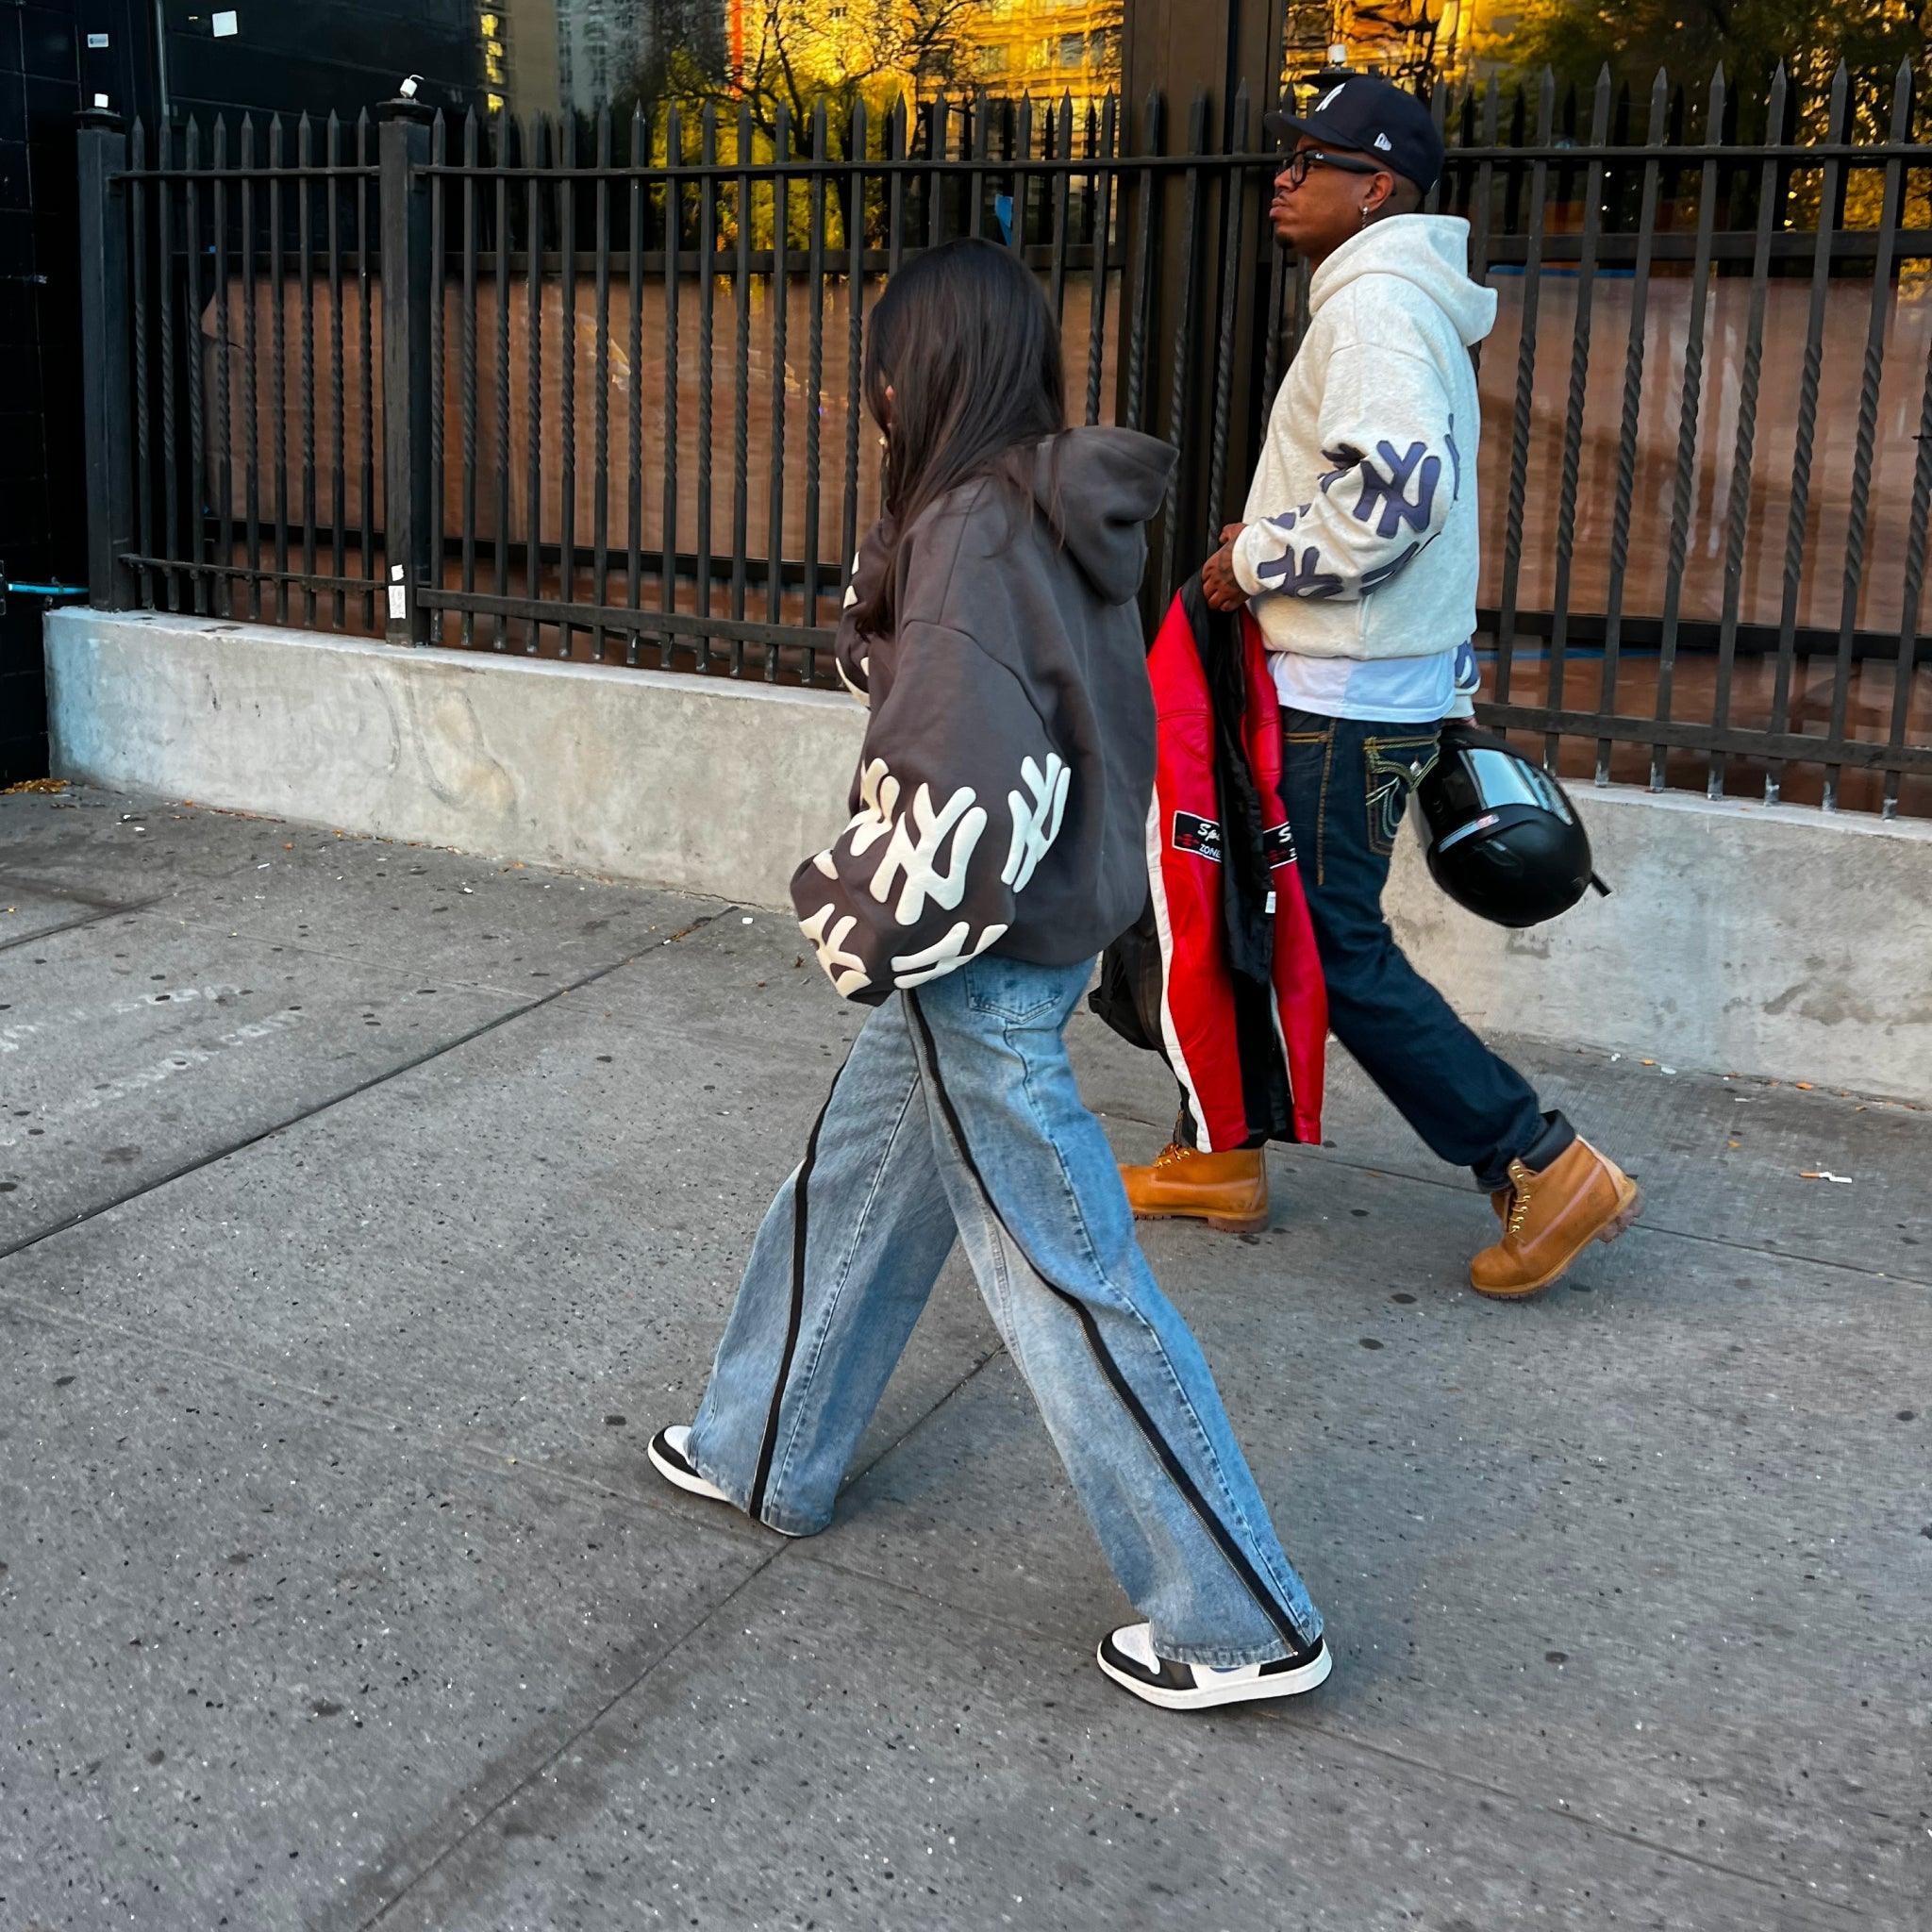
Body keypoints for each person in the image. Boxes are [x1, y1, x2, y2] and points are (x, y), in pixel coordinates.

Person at [649, 238, 1331, 1712]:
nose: (876, 393)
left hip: (981, 946)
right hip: (1037, 918)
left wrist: (864, 912)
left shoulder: (968, 522)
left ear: (927, 371)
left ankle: (1236, 1613)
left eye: (886, 366)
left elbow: (949, 759)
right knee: (857, 1187)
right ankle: (758, 1441)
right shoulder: (1045, 505)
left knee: (1061, 1279)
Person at [1121, 76, 1640, 1299]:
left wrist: (1248, 561)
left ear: (1379, 186)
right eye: (1289, 156)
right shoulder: (1395, 302)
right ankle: (1220, 1150)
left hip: (1344, 701)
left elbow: (1399, 496)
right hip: (1361, 683)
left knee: (1331, 947)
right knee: (1258, 904)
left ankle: (1537, 1158)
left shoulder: (1375, 310)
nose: (1285, 177)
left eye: (1316, 159)